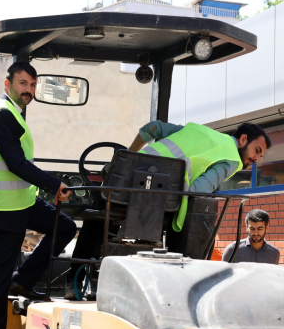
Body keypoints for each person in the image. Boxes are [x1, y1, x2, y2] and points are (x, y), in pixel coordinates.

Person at [66, 121, 272, 299]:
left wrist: (127, 156)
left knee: (95, 216)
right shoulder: (231, 159)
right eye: (257, 151)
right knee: (182, 227)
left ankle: (72, 284)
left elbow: (152, 128)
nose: (257, 159)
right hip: (160, 203)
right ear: (243, 139)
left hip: (123, 185)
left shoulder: (196, 129)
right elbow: (197, 190)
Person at [0, 61, 77, 329]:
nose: (28, 90)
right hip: (4, 208)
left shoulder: (4, 111)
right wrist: (55, 185)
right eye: (22, 84)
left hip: (21, 202)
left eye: (32, 85)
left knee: (64, 227)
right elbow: (17, 164)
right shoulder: (3, 115)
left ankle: (24, 279)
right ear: (8, 85)